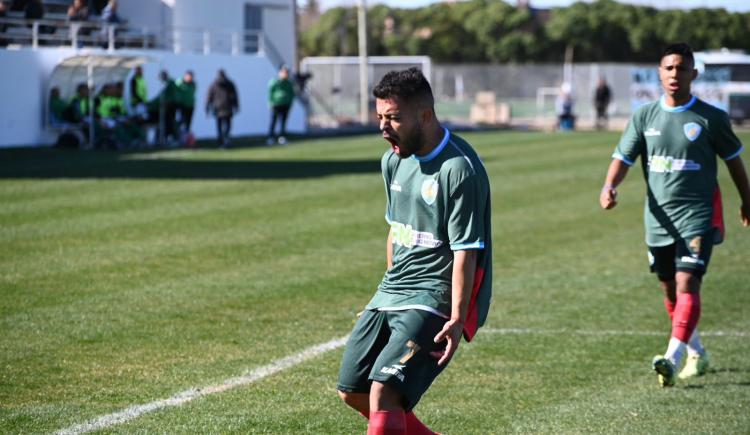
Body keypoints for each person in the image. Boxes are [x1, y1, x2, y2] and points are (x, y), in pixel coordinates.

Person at [337, 67, 492, 434]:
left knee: (384, 393)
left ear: (425, 115)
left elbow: (466, 251)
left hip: (435, 294)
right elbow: (396, 232)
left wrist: (456, 317)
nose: (383, 127)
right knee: (352, 390)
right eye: (379, 117)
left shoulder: (459, 169)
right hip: (394, 291)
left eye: (393, 118)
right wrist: (387, 292)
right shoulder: (393, 161)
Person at [599, 42, 750, 388]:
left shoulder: (711, 118)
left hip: (699, 214)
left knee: (687, 282)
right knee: (669, 289)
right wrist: (609, 186)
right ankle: (696, 351)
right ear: (659, 72)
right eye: (669, 68)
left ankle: (672, 356)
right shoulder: (644, 116)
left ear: (693, 74)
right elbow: (624, 157)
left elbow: (734, 161)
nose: (674, 75)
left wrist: (746, 199)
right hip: (659, 219)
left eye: (682, 68)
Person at [205, 69, 238, 148]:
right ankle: (225, 140)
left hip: (219, 108)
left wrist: (207, 107)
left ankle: (221, 141)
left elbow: (209, 97)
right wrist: (236, 105)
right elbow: (235, 96)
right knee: (227, 125)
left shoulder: (214, 84)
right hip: (226, 107)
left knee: (220, 126)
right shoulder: (229, 83)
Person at [266, 65, 295, 145]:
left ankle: (282, 137)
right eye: (284, 72)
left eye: (287, 73)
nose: (286, 74)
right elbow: (270, 93)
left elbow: (292, 94)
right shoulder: (274, 81)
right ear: (280, 72)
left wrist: (290, 102)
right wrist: (270, 102)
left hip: (285, 104)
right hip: (275, 104)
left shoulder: (288, 83)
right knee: (273, 121)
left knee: (283, 121)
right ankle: (271, 137)